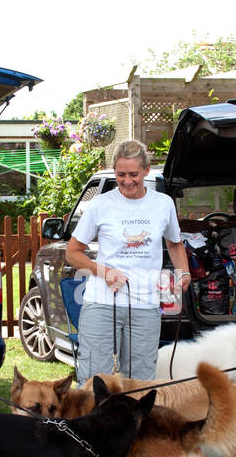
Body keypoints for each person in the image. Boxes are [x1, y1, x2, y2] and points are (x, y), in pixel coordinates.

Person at [65, 139, 191, 381]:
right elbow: (73, 253)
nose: (127, 180)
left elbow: (174, 243)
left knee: (140, 381)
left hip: (146, 304)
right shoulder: (100, 204)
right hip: (101, 302)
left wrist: (183, 271)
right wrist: (103, 271)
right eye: (121, 174)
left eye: (134, 174)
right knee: (94, 380)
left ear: (146, 170)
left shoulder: (162, 204)